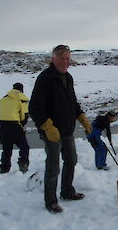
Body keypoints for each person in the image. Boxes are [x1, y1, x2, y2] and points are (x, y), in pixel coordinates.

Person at [29, 45, 92, 214]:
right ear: (53, 59)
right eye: (62, 58)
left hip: (67, 130)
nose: (65, 62)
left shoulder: (68, 77)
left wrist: (82, 118)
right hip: (52, 133)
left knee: (71, 160)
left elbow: (72, 102)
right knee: (53, 168)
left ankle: (67, 191)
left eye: (67, 58)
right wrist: (48, 127)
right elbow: (34, 108)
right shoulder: (45, 78)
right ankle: (51, 202)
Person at [0, 83, 30, 174]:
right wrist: (22, 124)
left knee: (7, 148)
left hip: (3, 125)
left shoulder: (4, 99)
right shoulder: (21, 98)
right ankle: (23, 164)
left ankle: (4, 168)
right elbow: (24, 116)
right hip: (15, 125)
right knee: (24, 147)